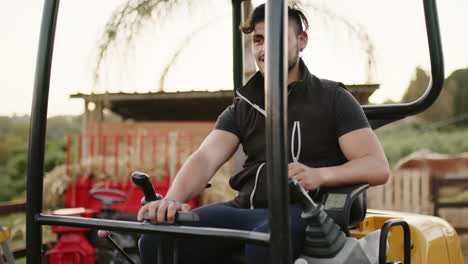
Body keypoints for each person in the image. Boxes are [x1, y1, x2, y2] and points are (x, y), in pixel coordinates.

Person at [138, 4, 390, 264]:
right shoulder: (245, 105)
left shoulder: (333, 99)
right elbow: (205, 158)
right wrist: (170, 200)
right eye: (258, 40)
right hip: (244, 208)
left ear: (302, 41)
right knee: (157, 239)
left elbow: (376, 166)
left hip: (304, 212)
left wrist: (320, 175)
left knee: (267, 240)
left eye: (276, 38)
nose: (264, 49)